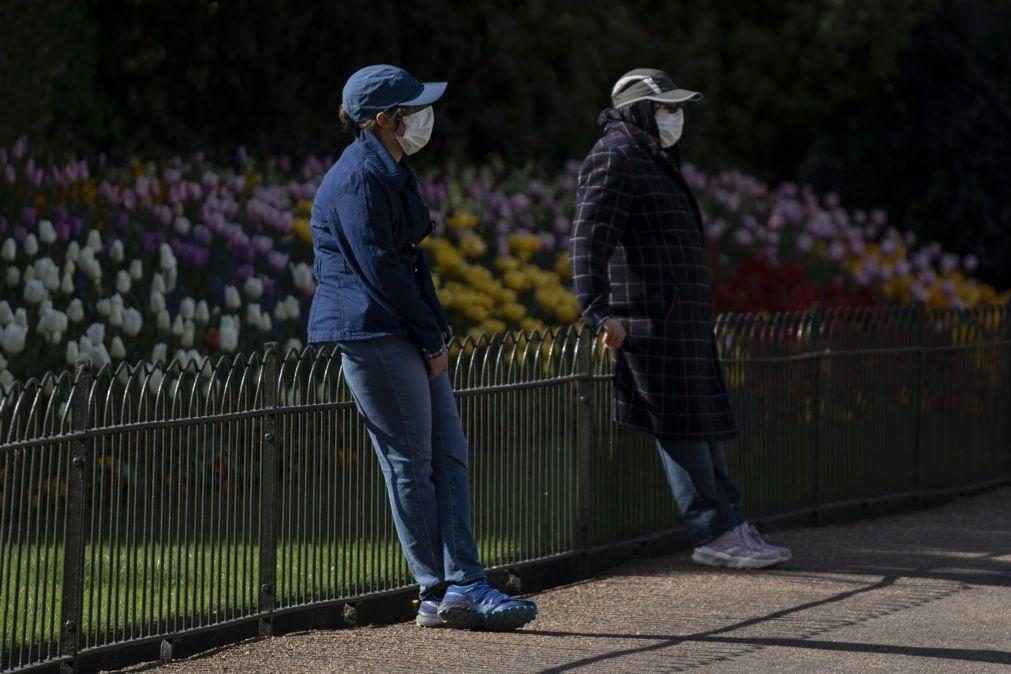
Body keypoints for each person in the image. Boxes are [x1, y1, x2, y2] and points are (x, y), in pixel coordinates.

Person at [307, 64, 537, 630]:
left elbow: (407, 259)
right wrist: (429, 334)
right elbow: (379, 269)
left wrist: (435, 330)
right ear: (384, 119)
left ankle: (463, 583)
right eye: (412, 109)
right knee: (411, 462)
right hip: (373, 334)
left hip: (399, 329)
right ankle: (443, 589)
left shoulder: (388, 167)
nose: (424, 118)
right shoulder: (359, 177)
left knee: (448, 452)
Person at [570, 68, 791, 569]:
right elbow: (588, 240)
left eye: (678, 107)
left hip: (680, 319)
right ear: (639, 110)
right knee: (683, 427)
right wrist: (598, 311)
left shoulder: (650, 156)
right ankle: (713, 532)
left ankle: (731, 523)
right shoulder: (616, 155)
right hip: (649, 320)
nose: (677, 116)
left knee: (703, 424)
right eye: (667, 107)